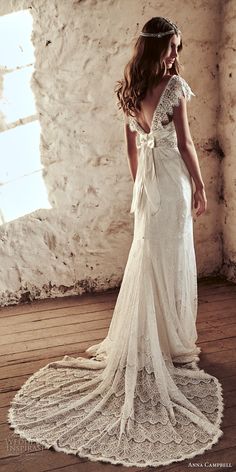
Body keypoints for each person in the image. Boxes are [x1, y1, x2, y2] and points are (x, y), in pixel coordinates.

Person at [8, 16, 224, 468]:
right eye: (172, 49)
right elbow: (185, 143)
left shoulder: (129, 88)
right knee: (169, 259)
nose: (176, 57)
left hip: (148, 185)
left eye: (178, 49)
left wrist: (139, 185)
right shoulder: (174, 88)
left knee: (150, 258)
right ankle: (170, 342)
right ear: (159, 48)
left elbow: (132, 148)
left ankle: (158, 339)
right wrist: (200, 187)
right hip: (171, 182)